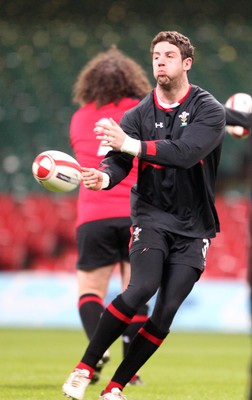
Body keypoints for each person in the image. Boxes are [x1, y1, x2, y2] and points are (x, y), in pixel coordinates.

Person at [62, 31, 249, 400]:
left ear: (186, 63)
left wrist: (127, 145)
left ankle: (114, 387)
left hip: (195, 226)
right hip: (150, 216)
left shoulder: (208, 109)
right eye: (155, 56)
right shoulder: (137, 114)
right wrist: (103, 176)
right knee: (141, 288)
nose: (160, 61)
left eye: (168, 55)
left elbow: (183, 153)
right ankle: (84, 368)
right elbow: (117, 161)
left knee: (165, 314)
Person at [69, 47, 151, 385]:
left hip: (94, 213)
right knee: (136, 289)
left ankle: (97, 347)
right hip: (138, 210)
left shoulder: (80, 117)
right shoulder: (144, 110)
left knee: (90, 289)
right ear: (134, 79)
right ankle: (131, 371)